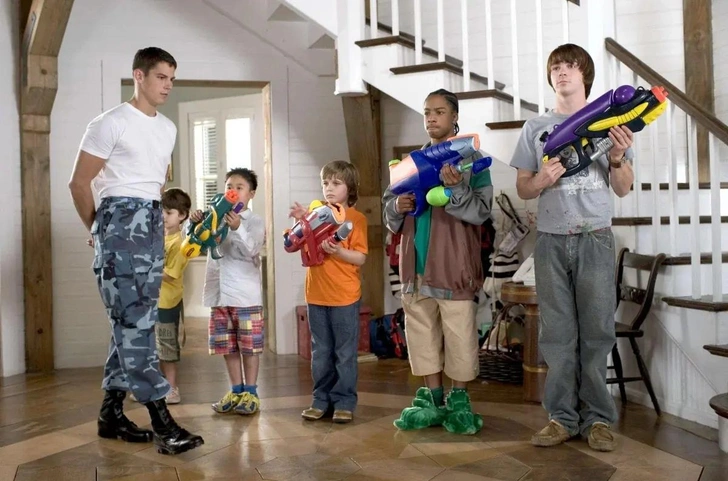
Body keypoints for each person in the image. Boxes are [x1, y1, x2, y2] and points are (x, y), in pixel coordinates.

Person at [68, 47, 203, 456]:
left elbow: (154, 186)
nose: (168, 85)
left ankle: (111, 414)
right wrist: (99, 230)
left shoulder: (168, 128)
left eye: (172, 79)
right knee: (135, 327)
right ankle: (162, 422)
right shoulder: (109, 123)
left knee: (134, 322)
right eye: (161, 76)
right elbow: (79, 183)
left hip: (151, 223)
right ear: (139, 76)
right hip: (118, 223)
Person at [510, 43, 635, 452]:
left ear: (585, 75)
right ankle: (561, 418)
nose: (562, 72)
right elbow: (523, 188)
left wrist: (617, 156)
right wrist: (541, 180)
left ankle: (597, 420)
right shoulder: (535, 128)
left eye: (570, 66)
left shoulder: (610, 121)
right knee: (557, 335)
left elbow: (623, 188)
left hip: (595, 237)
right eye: (556, 67)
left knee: (597, 332)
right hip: (550, 239)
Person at [383, 88, 493, 435]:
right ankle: (431, 399)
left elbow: (481, 212)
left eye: (440, 112)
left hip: (454, 266)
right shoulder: (410, 163)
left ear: (455, 117)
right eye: (427, 112)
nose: (431, 118)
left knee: (459, 334)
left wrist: (457, 188)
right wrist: (396, 207)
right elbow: (390, 212)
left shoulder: (472, 161)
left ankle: (458, 401)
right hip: (414, 265)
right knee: (421, 333)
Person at [290, 161, 368, 424]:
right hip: (316, 295)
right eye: (325, 183)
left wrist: (339, 251)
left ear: (350, 188)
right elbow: (299, 242)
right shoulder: (316, 213)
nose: (329, 188)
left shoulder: (356, 219)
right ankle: (320, 400)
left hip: (345, 296)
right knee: (321, 352)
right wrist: (300, 220)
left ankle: (344, 401)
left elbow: (360, 258)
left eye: (336, 183)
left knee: (344, 353)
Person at [189, 168, 266, 416]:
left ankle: (251, 393)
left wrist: (238, 228)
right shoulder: (215, 216)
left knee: (249, 347)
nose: (233, 190)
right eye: (229, 186)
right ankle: (236, 390)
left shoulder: (254, 221)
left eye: (239, 187)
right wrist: (195, 223)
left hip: (245, 297)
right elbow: (197, 243)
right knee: (227, 347)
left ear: (251, 194)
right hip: (220, 294)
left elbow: (253, 249)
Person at [156, 187, 192, 404]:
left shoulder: (180, 244)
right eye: (162, 211)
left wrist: (147, 267)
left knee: (167, 346)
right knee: (155, 347)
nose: (163, 216)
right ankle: (156, 387)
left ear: (182, 215)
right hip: (152, 301)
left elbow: (170, 275)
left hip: (167, 302)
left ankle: (172, 388)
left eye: (169, 212)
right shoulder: (159, 239)